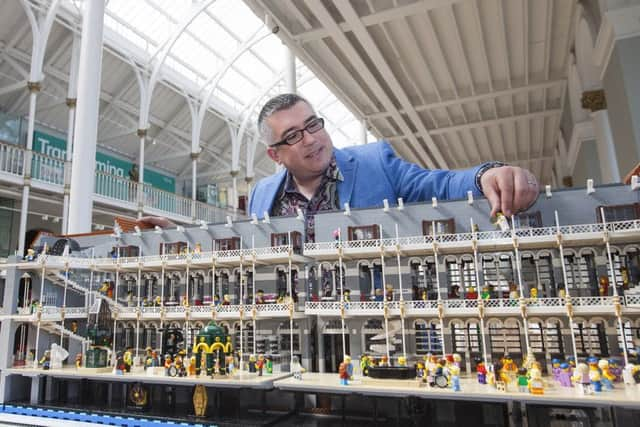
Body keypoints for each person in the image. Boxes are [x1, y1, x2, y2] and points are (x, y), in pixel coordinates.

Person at [250, 94, 539, 242]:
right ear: (275, 155)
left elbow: (439, 185)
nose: (311, 139)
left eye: (312, 124)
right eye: (293, 135)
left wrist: (486, 176)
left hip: (377, 327)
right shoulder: (261, 196)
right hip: (292, 331)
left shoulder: (375, 163)